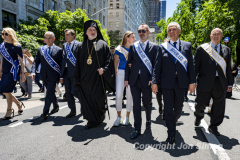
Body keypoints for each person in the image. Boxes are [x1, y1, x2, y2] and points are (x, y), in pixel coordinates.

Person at [152, 22, 196, 144]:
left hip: (181, 82)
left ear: (179, 31)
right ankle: (171, 133)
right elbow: (157, 66)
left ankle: (173, 120)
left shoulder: (187, 46)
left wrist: (192, 81)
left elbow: (191, 66)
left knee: (179, 107)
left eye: (174, 29)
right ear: (167, 33)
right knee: (168, 108)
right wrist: (154, 82)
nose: (171, 32)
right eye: (169, 30)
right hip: (166, 82)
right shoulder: (162, 47)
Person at [74, 20, 115, 129]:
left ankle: (100, 115)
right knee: (87, 100)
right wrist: (77, 78)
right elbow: (78, 64)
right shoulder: (81, 46)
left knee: (98, 99)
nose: (92, 32)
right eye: (90, 30)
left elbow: (109, 62)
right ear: (86, 32)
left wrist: (104, 69)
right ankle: (91, 120)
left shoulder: (102, 44)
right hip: (85, 80)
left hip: (98, 79)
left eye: (94, 30)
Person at [194, 28, 233, 136]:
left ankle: (214, 126)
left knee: (219, 107)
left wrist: (230, 83)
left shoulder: (227, 50)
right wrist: (192, 81)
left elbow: (228, 69)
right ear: (210, 36)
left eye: (219, 34)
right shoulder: (201, 49)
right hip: (204, 81)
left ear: (221, 36)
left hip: (220, 82)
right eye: (214, 34)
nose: (216, 36)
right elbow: (195, 67)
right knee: (200, 104)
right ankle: (198, 116)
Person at [125, 23, 159, 139]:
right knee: (136, 105)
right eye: (139, 31)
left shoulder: (155, 47)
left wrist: (152, 79)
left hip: (147, 81)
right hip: (134, 80)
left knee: (147, 103)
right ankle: (137, 128)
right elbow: (128, 63)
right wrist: (126, 78)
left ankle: (148, 119)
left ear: (148, 33)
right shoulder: (133, 46)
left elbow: (155, 66)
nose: (141, 33)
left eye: (143, 31)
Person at [31, 31, 63, 120]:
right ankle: (56, 106)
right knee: (51, 92)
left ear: (54, 39)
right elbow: (36, 62)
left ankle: (45, 112)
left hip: (54, 76)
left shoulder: (59, 50)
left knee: (48, 93)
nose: (47, 40)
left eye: (49, 38)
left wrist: (61, 76)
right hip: (44, 75)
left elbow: (61, 64)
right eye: (46, 38)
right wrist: (33, 71)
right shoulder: (41, 49)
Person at [0, 28, 26, 119]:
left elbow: (22, 62)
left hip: (13, 71)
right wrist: (0, 71)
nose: (4, 36)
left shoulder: (17, 46)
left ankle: (9, 111)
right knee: (6, 92)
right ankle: (19, 104)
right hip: (5, 71)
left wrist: (23, 74)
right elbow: (2, 59)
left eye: (6, 34)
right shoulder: (2, 45)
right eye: (2, 34)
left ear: (11, 34)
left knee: (7, 91)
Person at [113, 31, 135, 126]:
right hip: (121, 74)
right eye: (132, 37)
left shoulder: (135, 48)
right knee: (118, 95)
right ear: (127, 38)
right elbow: (115, 63)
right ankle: (118, 117)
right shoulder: (119, 49)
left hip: (131, 74)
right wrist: (116, 74)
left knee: (129, 96)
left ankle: (127, 117)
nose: (134, 39)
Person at [60, 29, 82, 118]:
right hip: (66, 72)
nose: (66, 36)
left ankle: (84, 103)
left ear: (73, 35)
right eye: (65, 35)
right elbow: (63, 60)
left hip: (75, 72)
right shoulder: (64, 45)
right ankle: (72, 111)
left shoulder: (79, 44)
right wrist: (61, 75)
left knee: (75, 91)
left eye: (68, 35)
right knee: (68, 93)